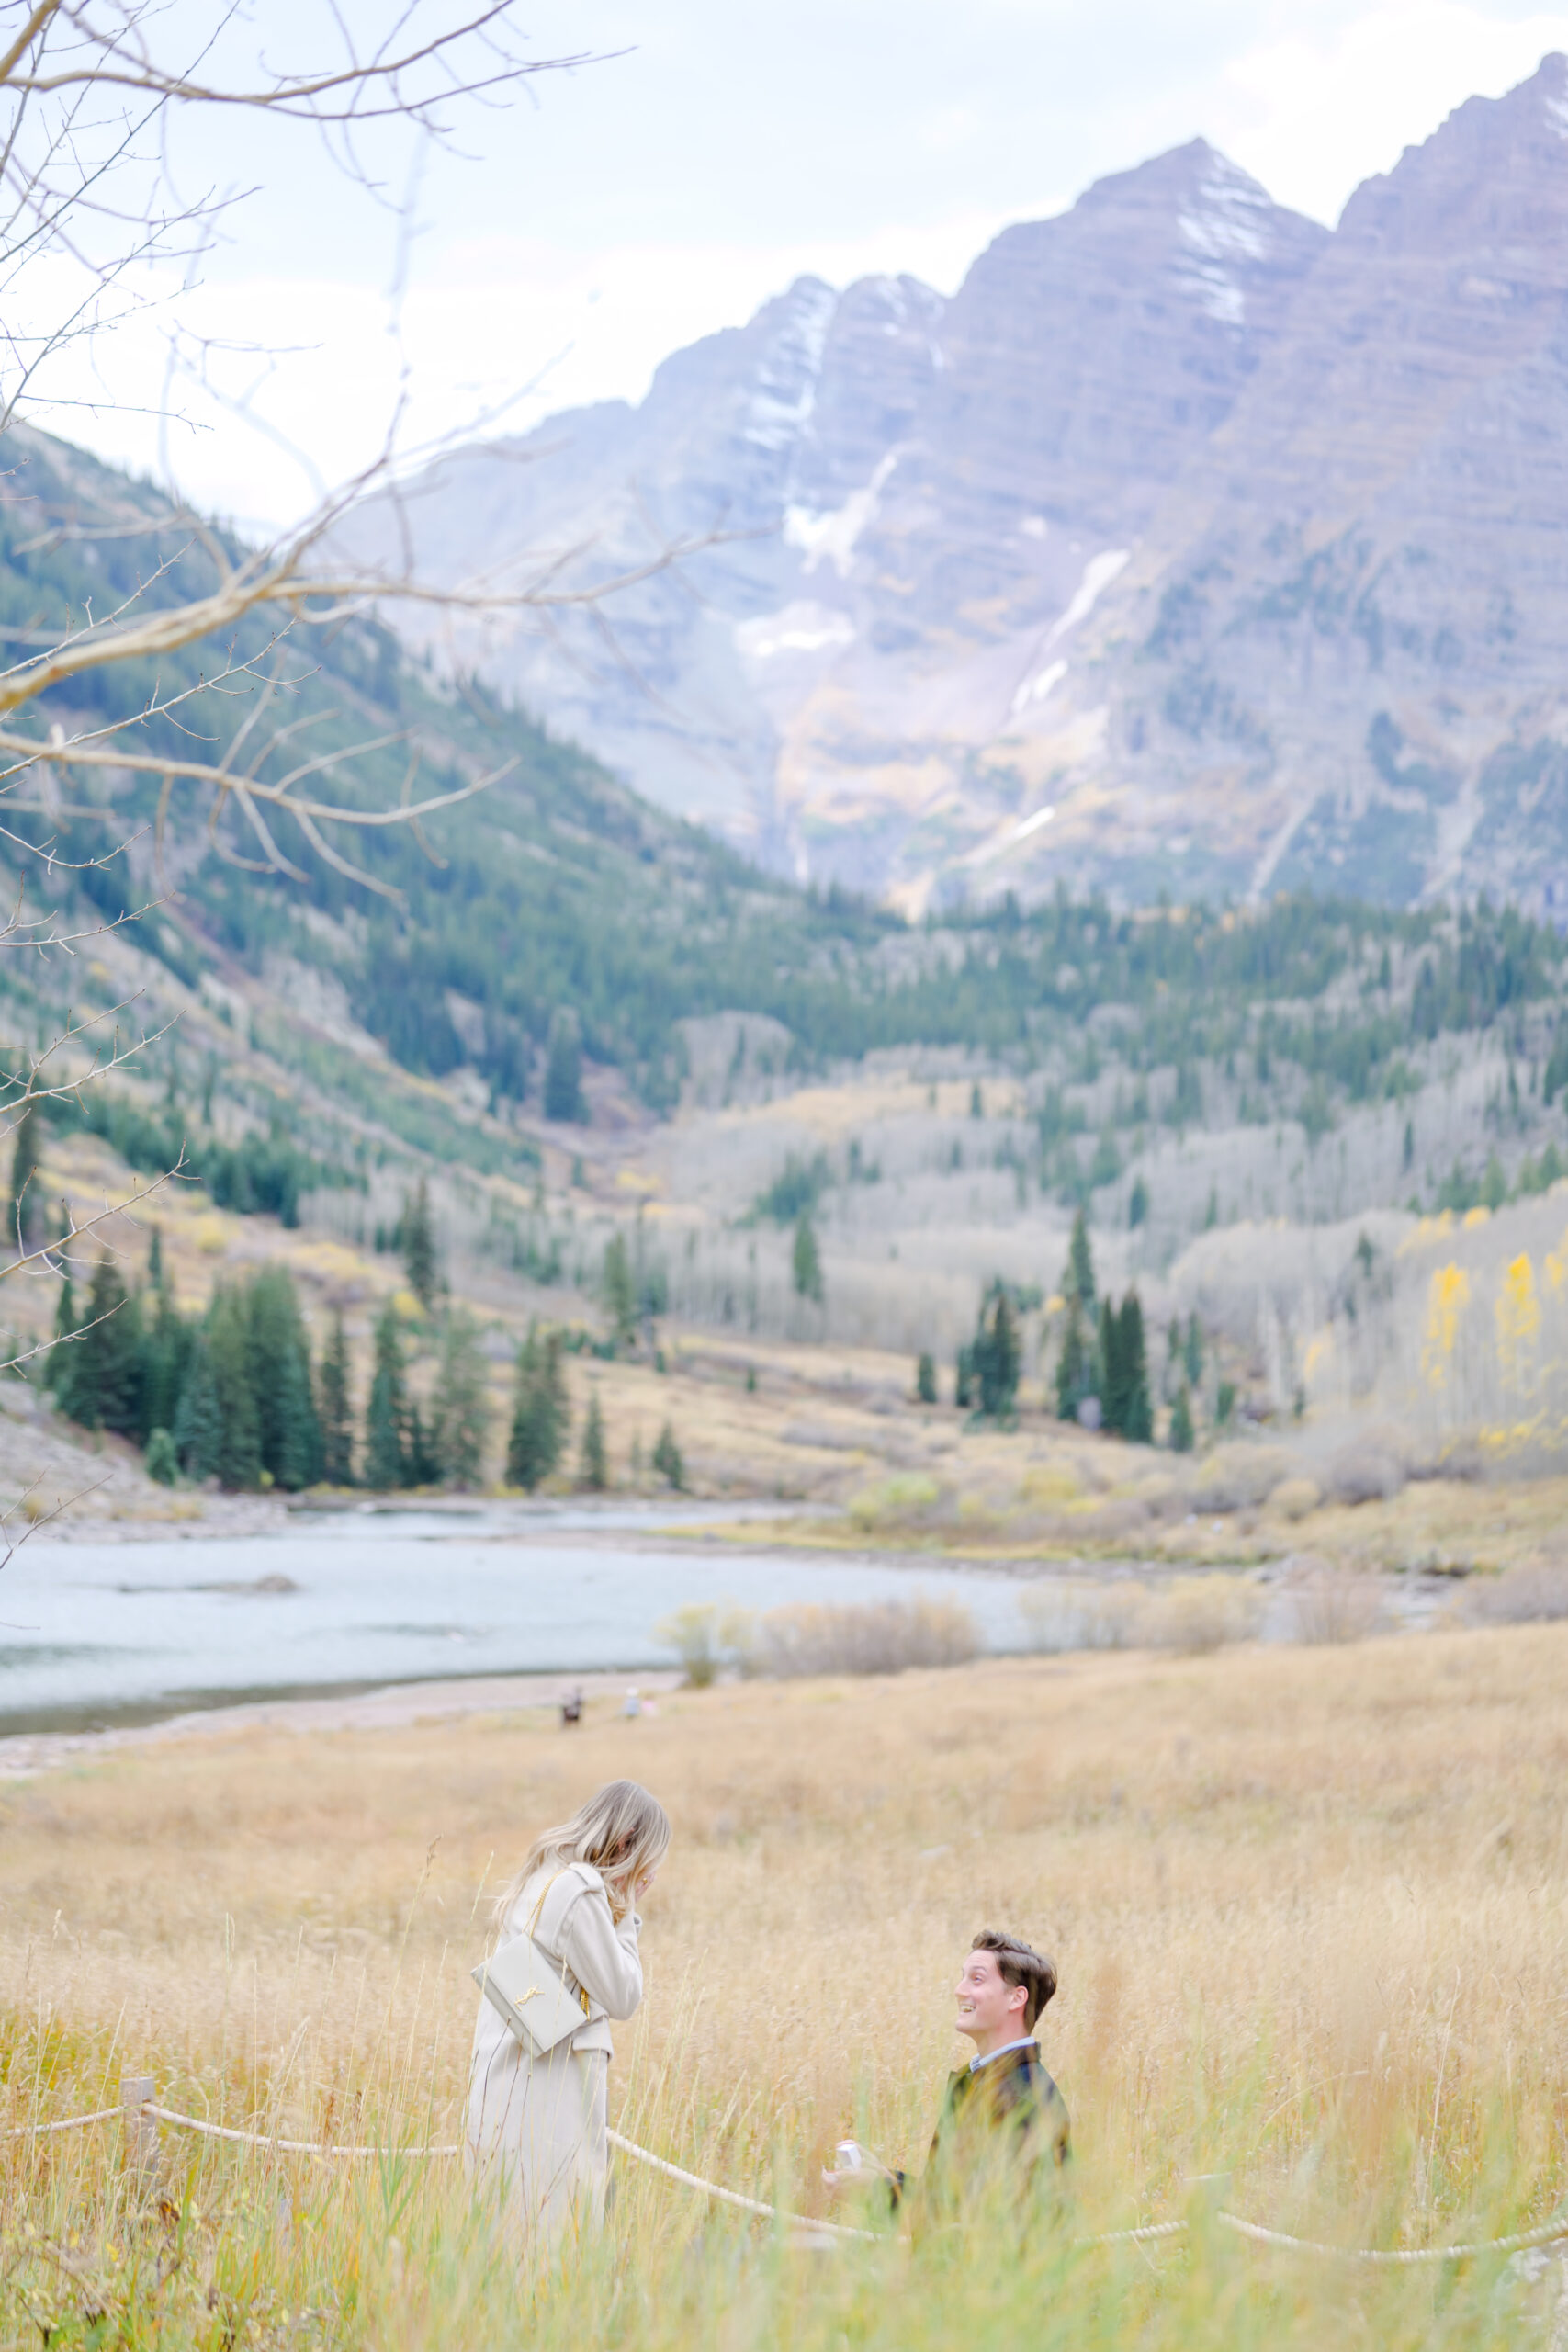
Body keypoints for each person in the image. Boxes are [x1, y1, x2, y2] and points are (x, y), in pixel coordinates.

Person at [465, 1779, 670, 2248]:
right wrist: (627, 1911)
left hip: (506, 2090)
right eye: (648, 1864)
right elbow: (624, 1995)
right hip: (547, 2108)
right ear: (625, 1844)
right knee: (552, 2249)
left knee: (507, 2243)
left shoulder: (545, 1875)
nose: (648, 1876)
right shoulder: (580, 1892)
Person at [826, 1928, 1069, 2223]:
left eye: (976, 1979)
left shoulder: (1021, 2098)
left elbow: (977, 2223)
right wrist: (886, 2178)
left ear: (1016, 1999)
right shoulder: (977, 2079)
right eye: (962, 1977)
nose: (959, 1989)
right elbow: (951, 2197)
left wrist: (879, 2193)